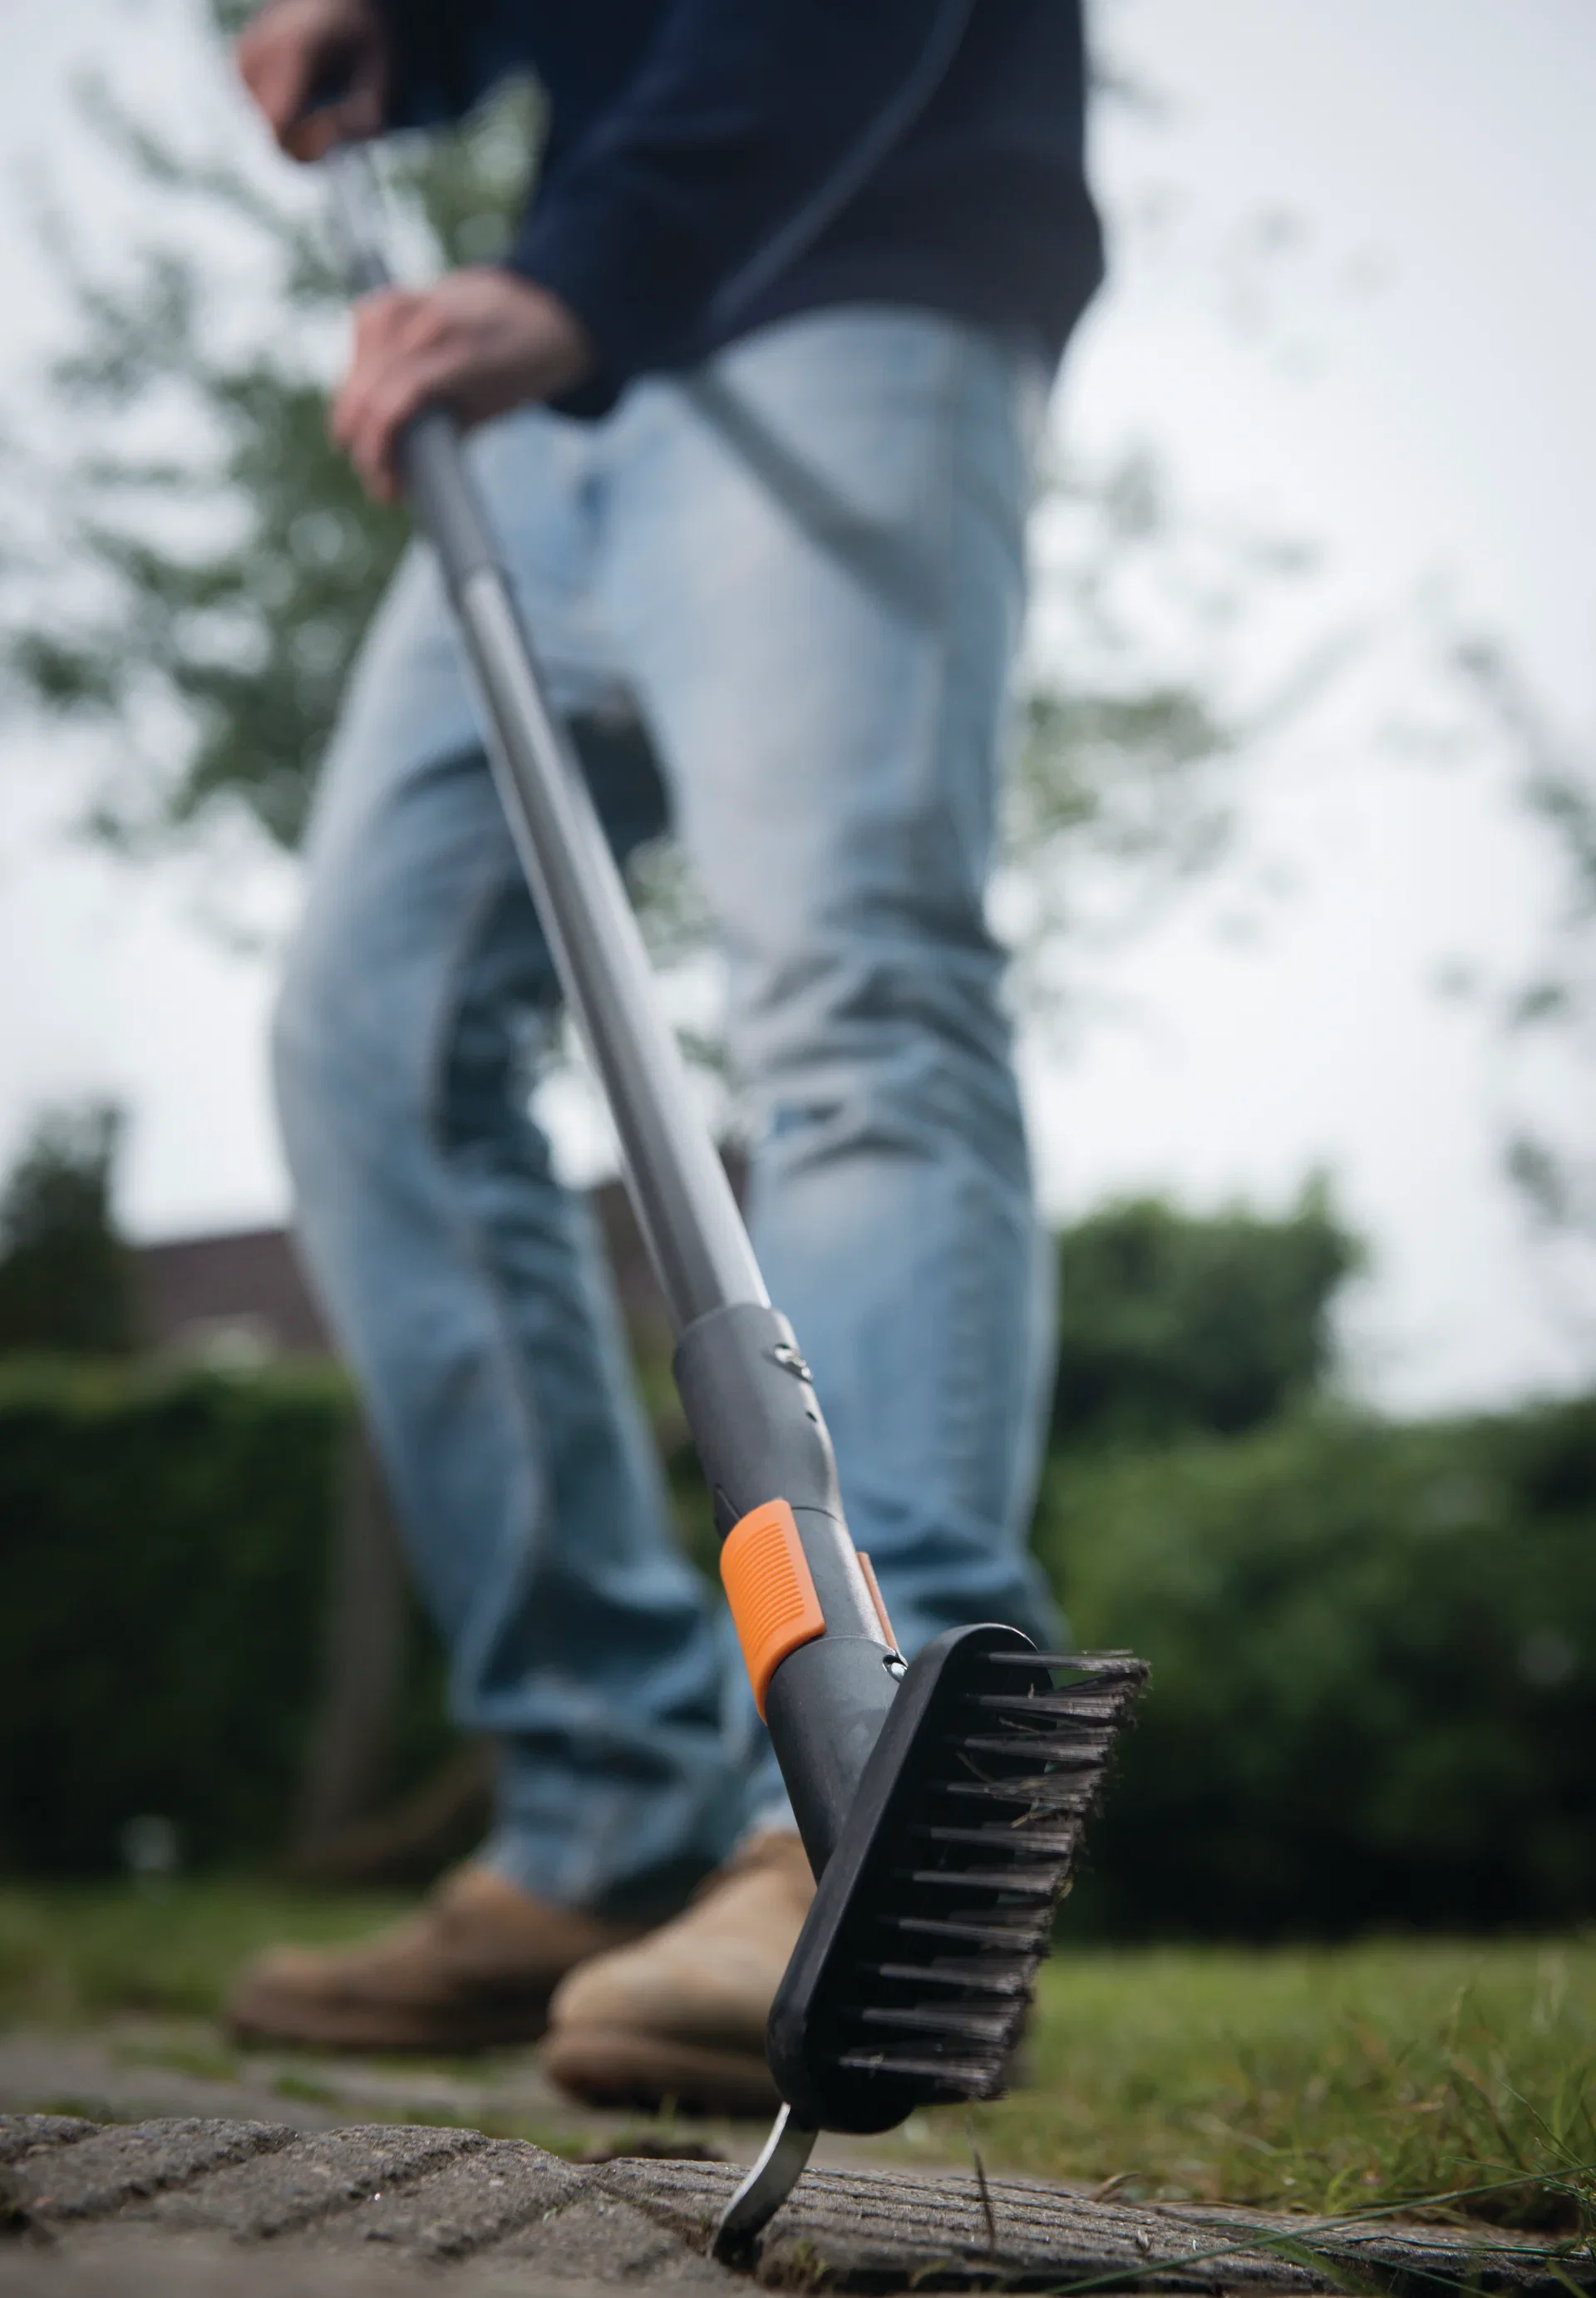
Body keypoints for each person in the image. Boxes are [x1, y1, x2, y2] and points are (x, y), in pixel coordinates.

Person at [225, 0, 1102, 2113]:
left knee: (852, 990)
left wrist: (597, 269)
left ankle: (854, 1795)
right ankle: (604, 1799)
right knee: (370, 1032)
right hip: (546, 389)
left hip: (839, 283)